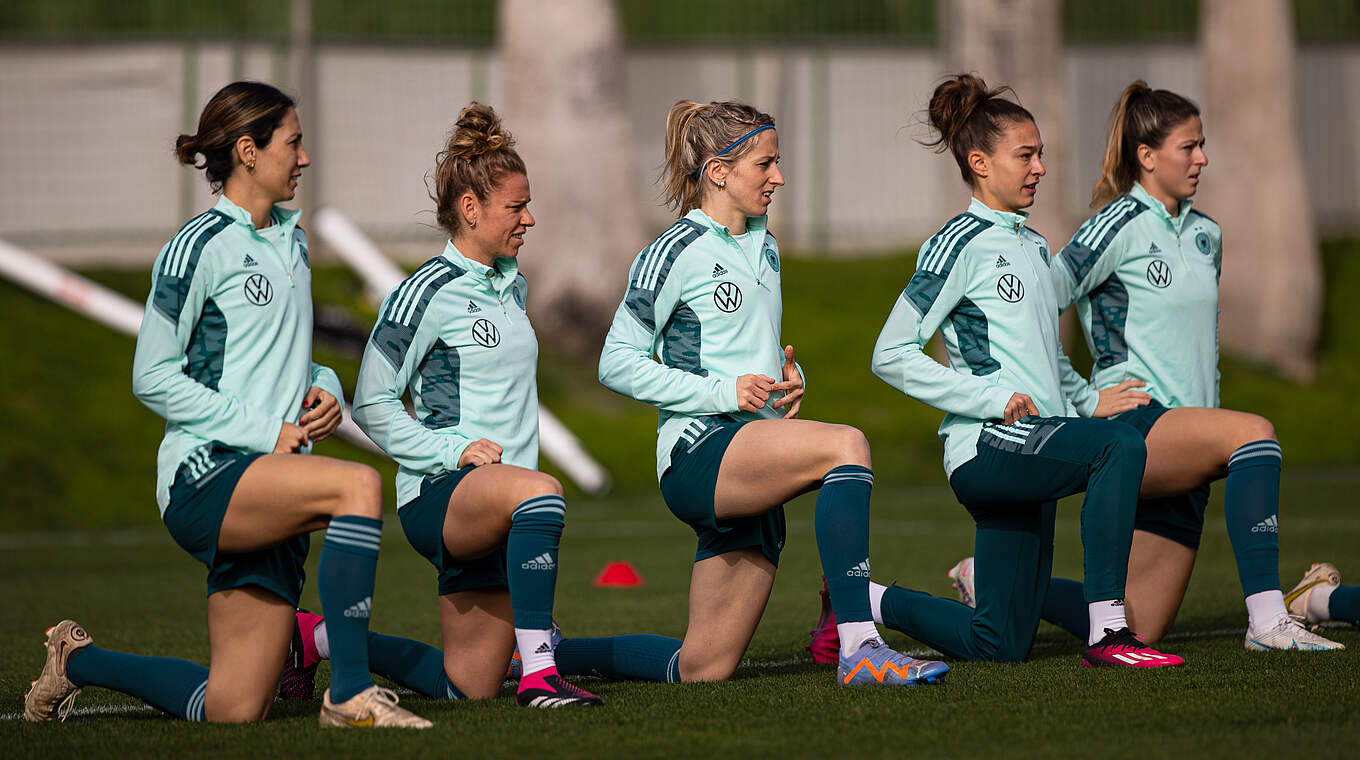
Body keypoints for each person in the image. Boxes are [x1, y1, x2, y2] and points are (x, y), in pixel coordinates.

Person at [22, 81, 430, 727]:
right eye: (293, 142)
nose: (303, 158)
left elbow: (282, 358)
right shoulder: (199, 246)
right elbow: (152, 376)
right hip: (206, 475)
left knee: (234, 709)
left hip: (271, 484)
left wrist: (323, 385)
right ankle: (349, 692)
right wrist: (270, 431)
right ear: (248, 149)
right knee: (357, 487)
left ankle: (75, 662)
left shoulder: (292, 244)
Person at [286, 102, 685, 709]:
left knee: (466, 685)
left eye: (528, 204)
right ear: (470, 209)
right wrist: (453, 450)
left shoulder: (512, 284)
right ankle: (541, 675)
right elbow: (370, 402)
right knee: (541, 492)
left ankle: (315, 640)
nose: (530, 218)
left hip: (499, 506)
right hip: (443, 495)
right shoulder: (425, 292)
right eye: (516, 206)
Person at [946, 82, 1344, 652]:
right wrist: (1086, 397)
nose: (1202, 157)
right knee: (1255, 434)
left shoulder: (1208, 234)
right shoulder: (1117, 224)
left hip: (1193, 433)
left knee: (1143, 624)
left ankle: (987, 581)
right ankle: (1268, 619)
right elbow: (1037, 302)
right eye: (1189, 146)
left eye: (1202, 145)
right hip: (1141, 424)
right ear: (1147, 156)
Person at [598, 99, 948, 687]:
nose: (779, 178)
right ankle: (860, 644)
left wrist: (789, 380)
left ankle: (553, 653)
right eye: (765, 164)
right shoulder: (673, 252)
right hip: (698, 451)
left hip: (749, 454)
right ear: (718, 171)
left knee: (702, 668)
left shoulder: (766, 246)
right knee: (846, 446)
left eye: (778, 162)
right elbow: (616, 362)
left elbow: (748, 351)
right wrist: (724, 390)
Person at [850, 74, 1183, 668]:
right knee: (1120, 448)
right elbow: (890, 352)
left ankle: (861, 600)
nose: (1040, 169)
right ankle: (1109, 631)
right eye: (1025, 155)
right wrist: (988, 397)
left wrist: (1086, 401)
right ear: (980, 163)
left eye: (1041, 155)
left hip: (1037, 444)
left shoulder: (1032, 245)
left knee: (999, 644)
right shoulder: (957, 244)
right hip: (988, 448)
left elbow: (1046, 352)